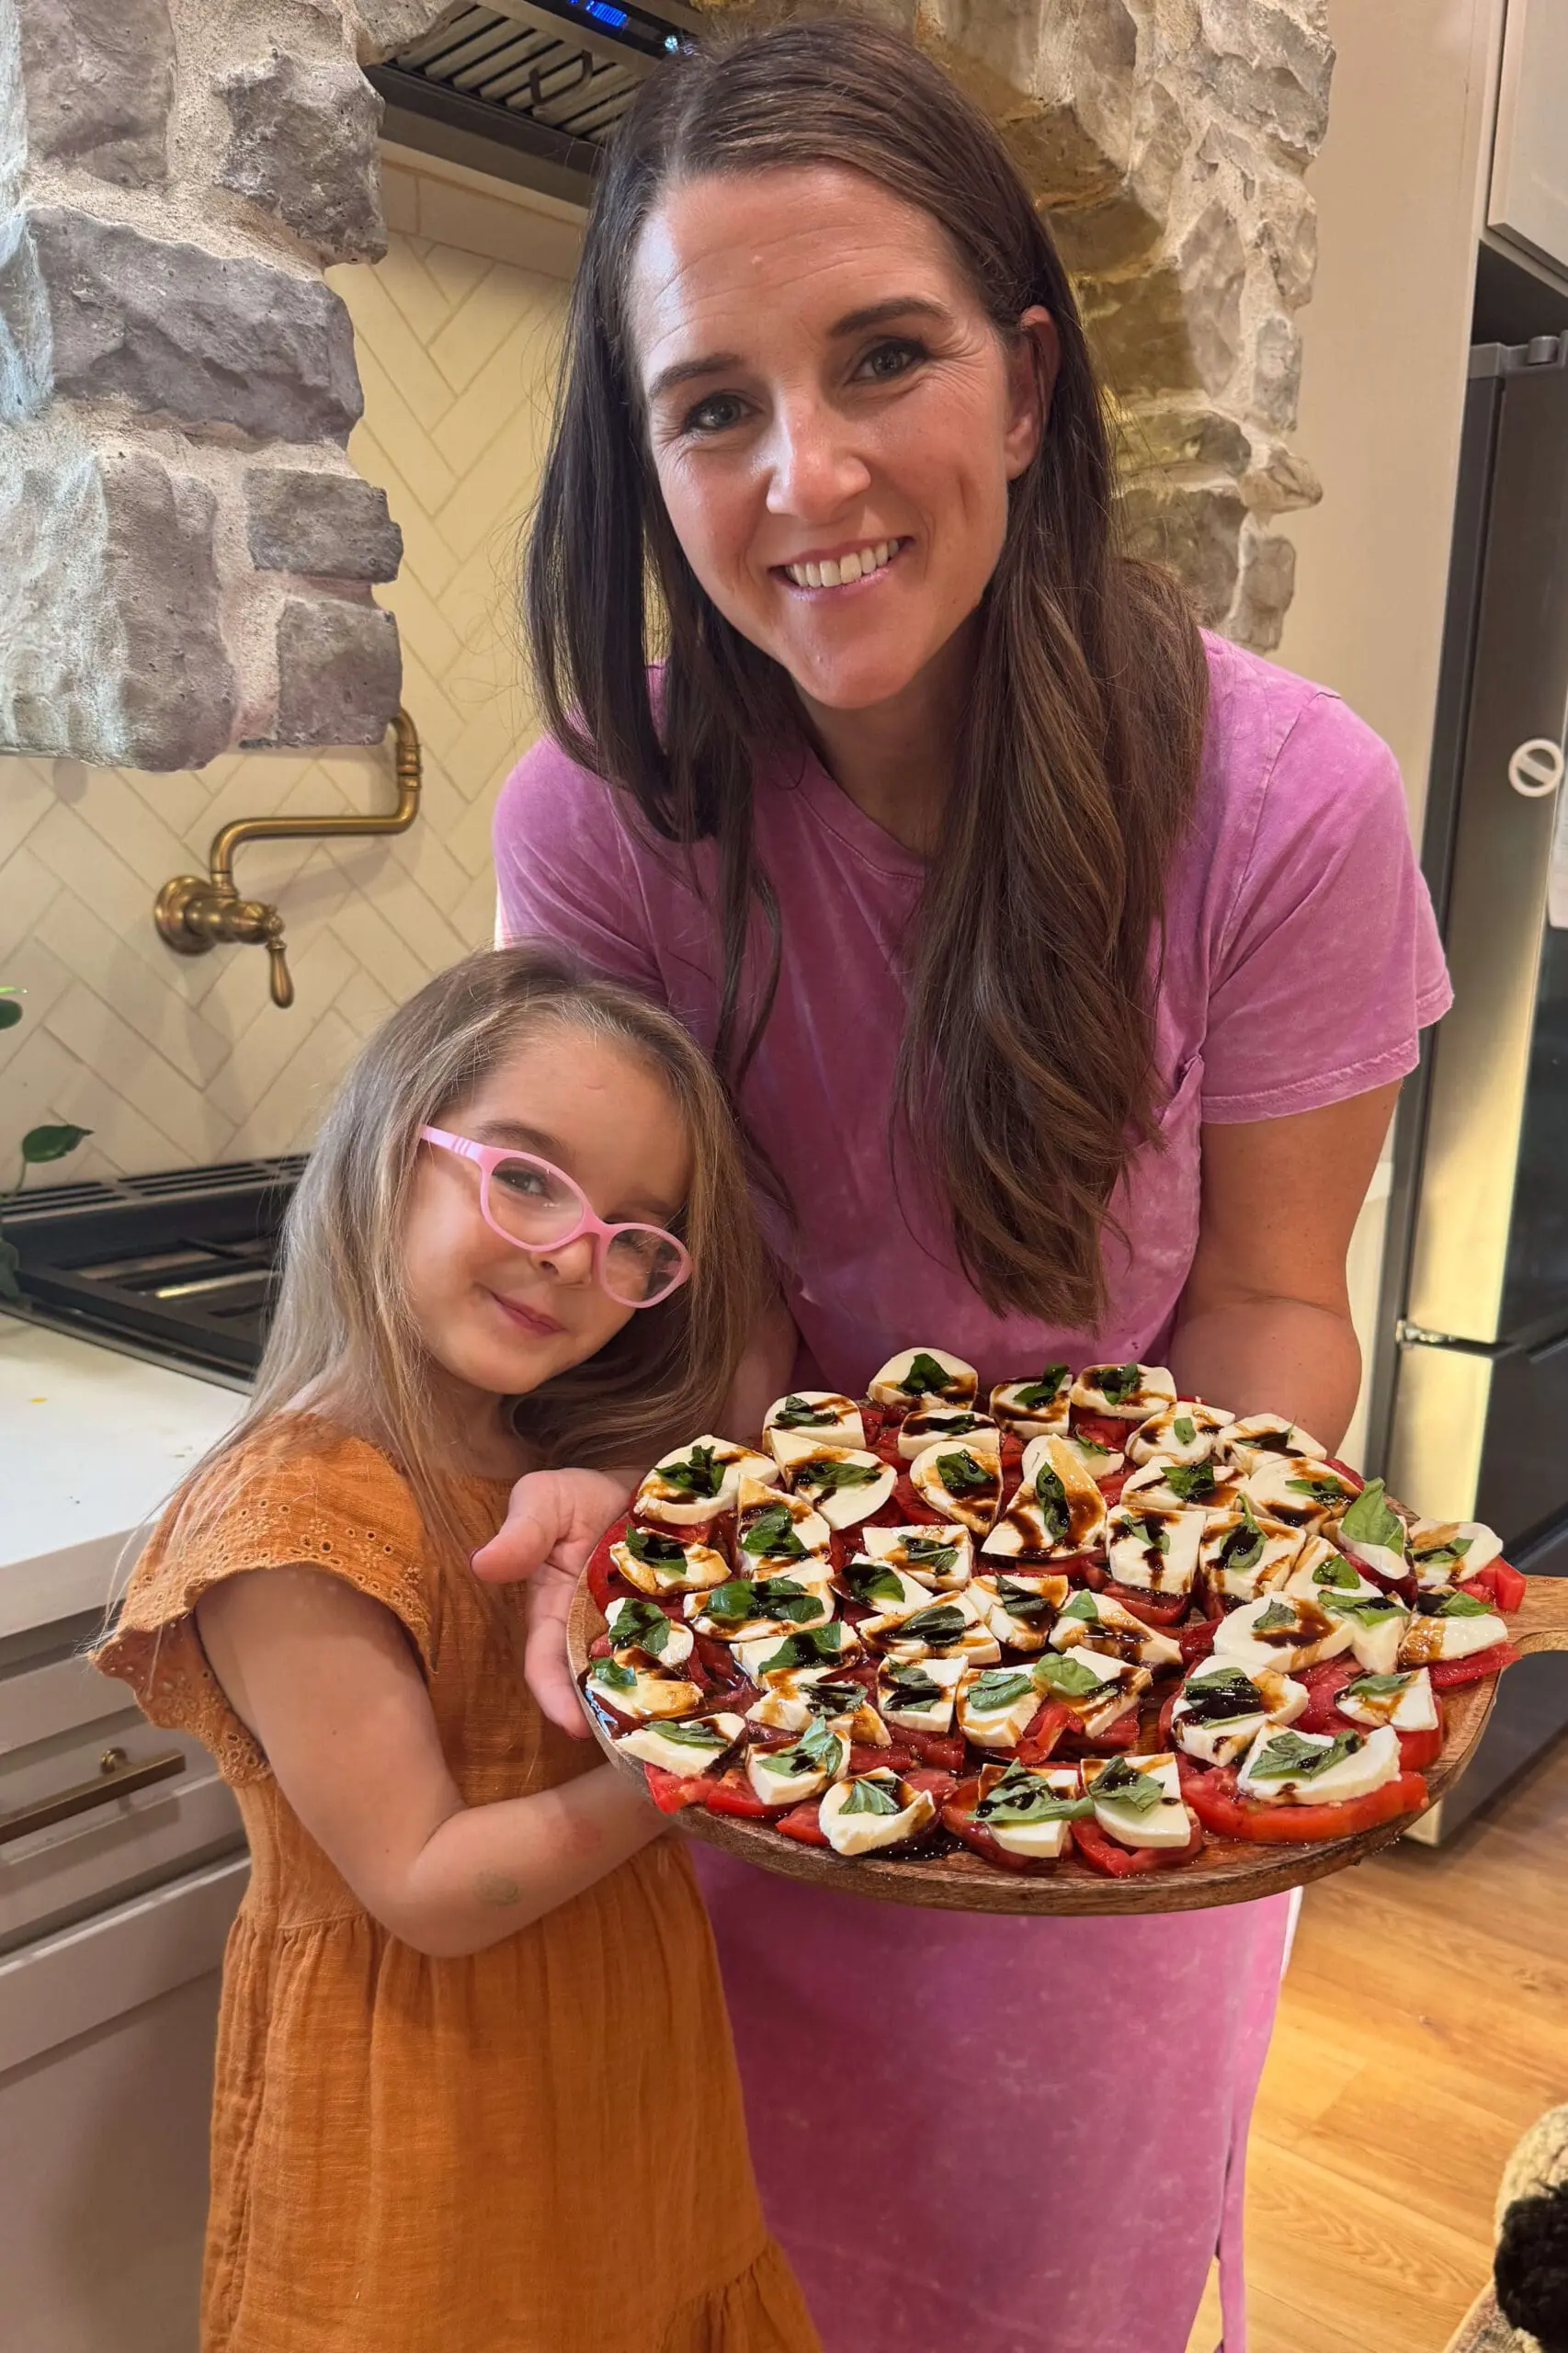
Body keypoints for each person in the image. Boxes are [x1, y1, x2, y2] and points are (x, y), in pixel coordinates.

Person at [481, 19, 1452, 2352]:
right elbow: (661, 1308)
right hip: (734, 1721)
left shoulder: (1283, 802)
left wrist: (1131, 1649)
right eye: (711, 402)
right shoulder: (596, 824)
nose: (805, 472)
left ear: (1025, 386)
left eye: (881, 355)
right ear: (643, 458)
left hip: (1100, 1757)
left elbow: (1266, 1307)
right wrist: (606, 1481)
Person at [93, 948, 821, 2353]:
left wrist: (631, 1512)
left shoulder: (544, 1457)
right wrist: (701, 1761)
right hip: (423, 2106)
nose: (569, 1254)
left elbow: (753, 1372)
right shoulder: (293, 1519)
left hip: (619, 2057)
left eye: (634, 1236)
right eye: (527, 1176)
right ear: (386, 1151)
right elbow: (428, 1888)